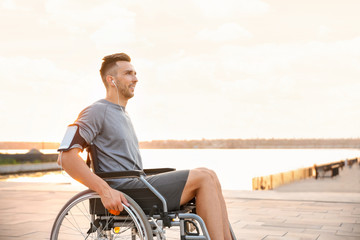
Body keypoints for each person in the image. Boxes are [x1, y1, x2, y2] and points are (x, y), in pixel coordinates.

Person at [57, 53, 232, 239]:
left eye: (135, 73)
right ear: (111, 80)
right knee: (203, 177)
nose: (135, 78)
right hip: (125, 189)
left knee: (210, 174)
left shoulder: (122, 114)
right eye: (128, 73)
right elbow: (66, 157)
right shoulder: (96, 111)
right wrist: (105, 190)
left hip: (137, 183)